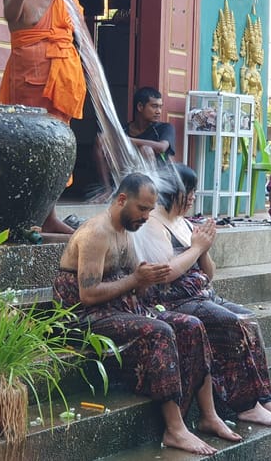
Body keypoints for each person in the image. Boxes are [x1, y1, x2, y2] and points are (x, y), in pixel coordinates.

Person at [53, 173, 242, 454]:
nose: (146, 216)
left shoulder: (126, 231)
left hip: (122, 308)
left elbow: (135, 280)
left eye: (150, 210)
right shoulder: (96, 233)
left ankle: (208, 416)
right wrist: (136, 281)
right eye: (142, 209)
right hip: (84, 317)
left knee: (191, 324)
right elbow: (88, 295)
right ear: (121, 200)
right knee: (160, 331)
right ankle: (175, 429)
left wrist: (152, 277)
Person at [137, 164, 271, 427]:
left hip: (201, 293)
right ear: (172, 191)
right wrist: (196, 247)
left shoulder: (184, 223)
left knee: (248, 318)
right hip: (173, 301)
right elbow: (164, 274)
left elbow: (208, 273)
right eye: (188, 193)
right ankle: (244, 406)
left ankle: (263, 398)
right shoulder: (154, 224)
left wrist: (204, 249)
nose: (192, 199)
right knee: (228, 322)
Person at [0, 0, 87, 235]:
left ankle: (49, 216)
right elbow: (12, 17)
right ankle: (20, 214)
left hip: (61, 85)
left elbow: (79, 37)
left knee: (57, 148)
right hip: (27, 84)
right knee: (26, 146)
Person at [94, 87, 177, 199]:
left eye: (160, 107)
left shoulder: (165, 128)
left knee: (146, 149)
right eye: (154, 106)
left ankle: (152, 193)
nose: (159, 111)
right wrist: (117, 139)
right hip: (125, 173)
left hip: (156, 179)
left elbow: (162, 147)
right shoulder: (124, 130)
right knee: (102, 139)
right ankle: (107, 189)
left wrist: (126, 140)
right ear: (140, 107)